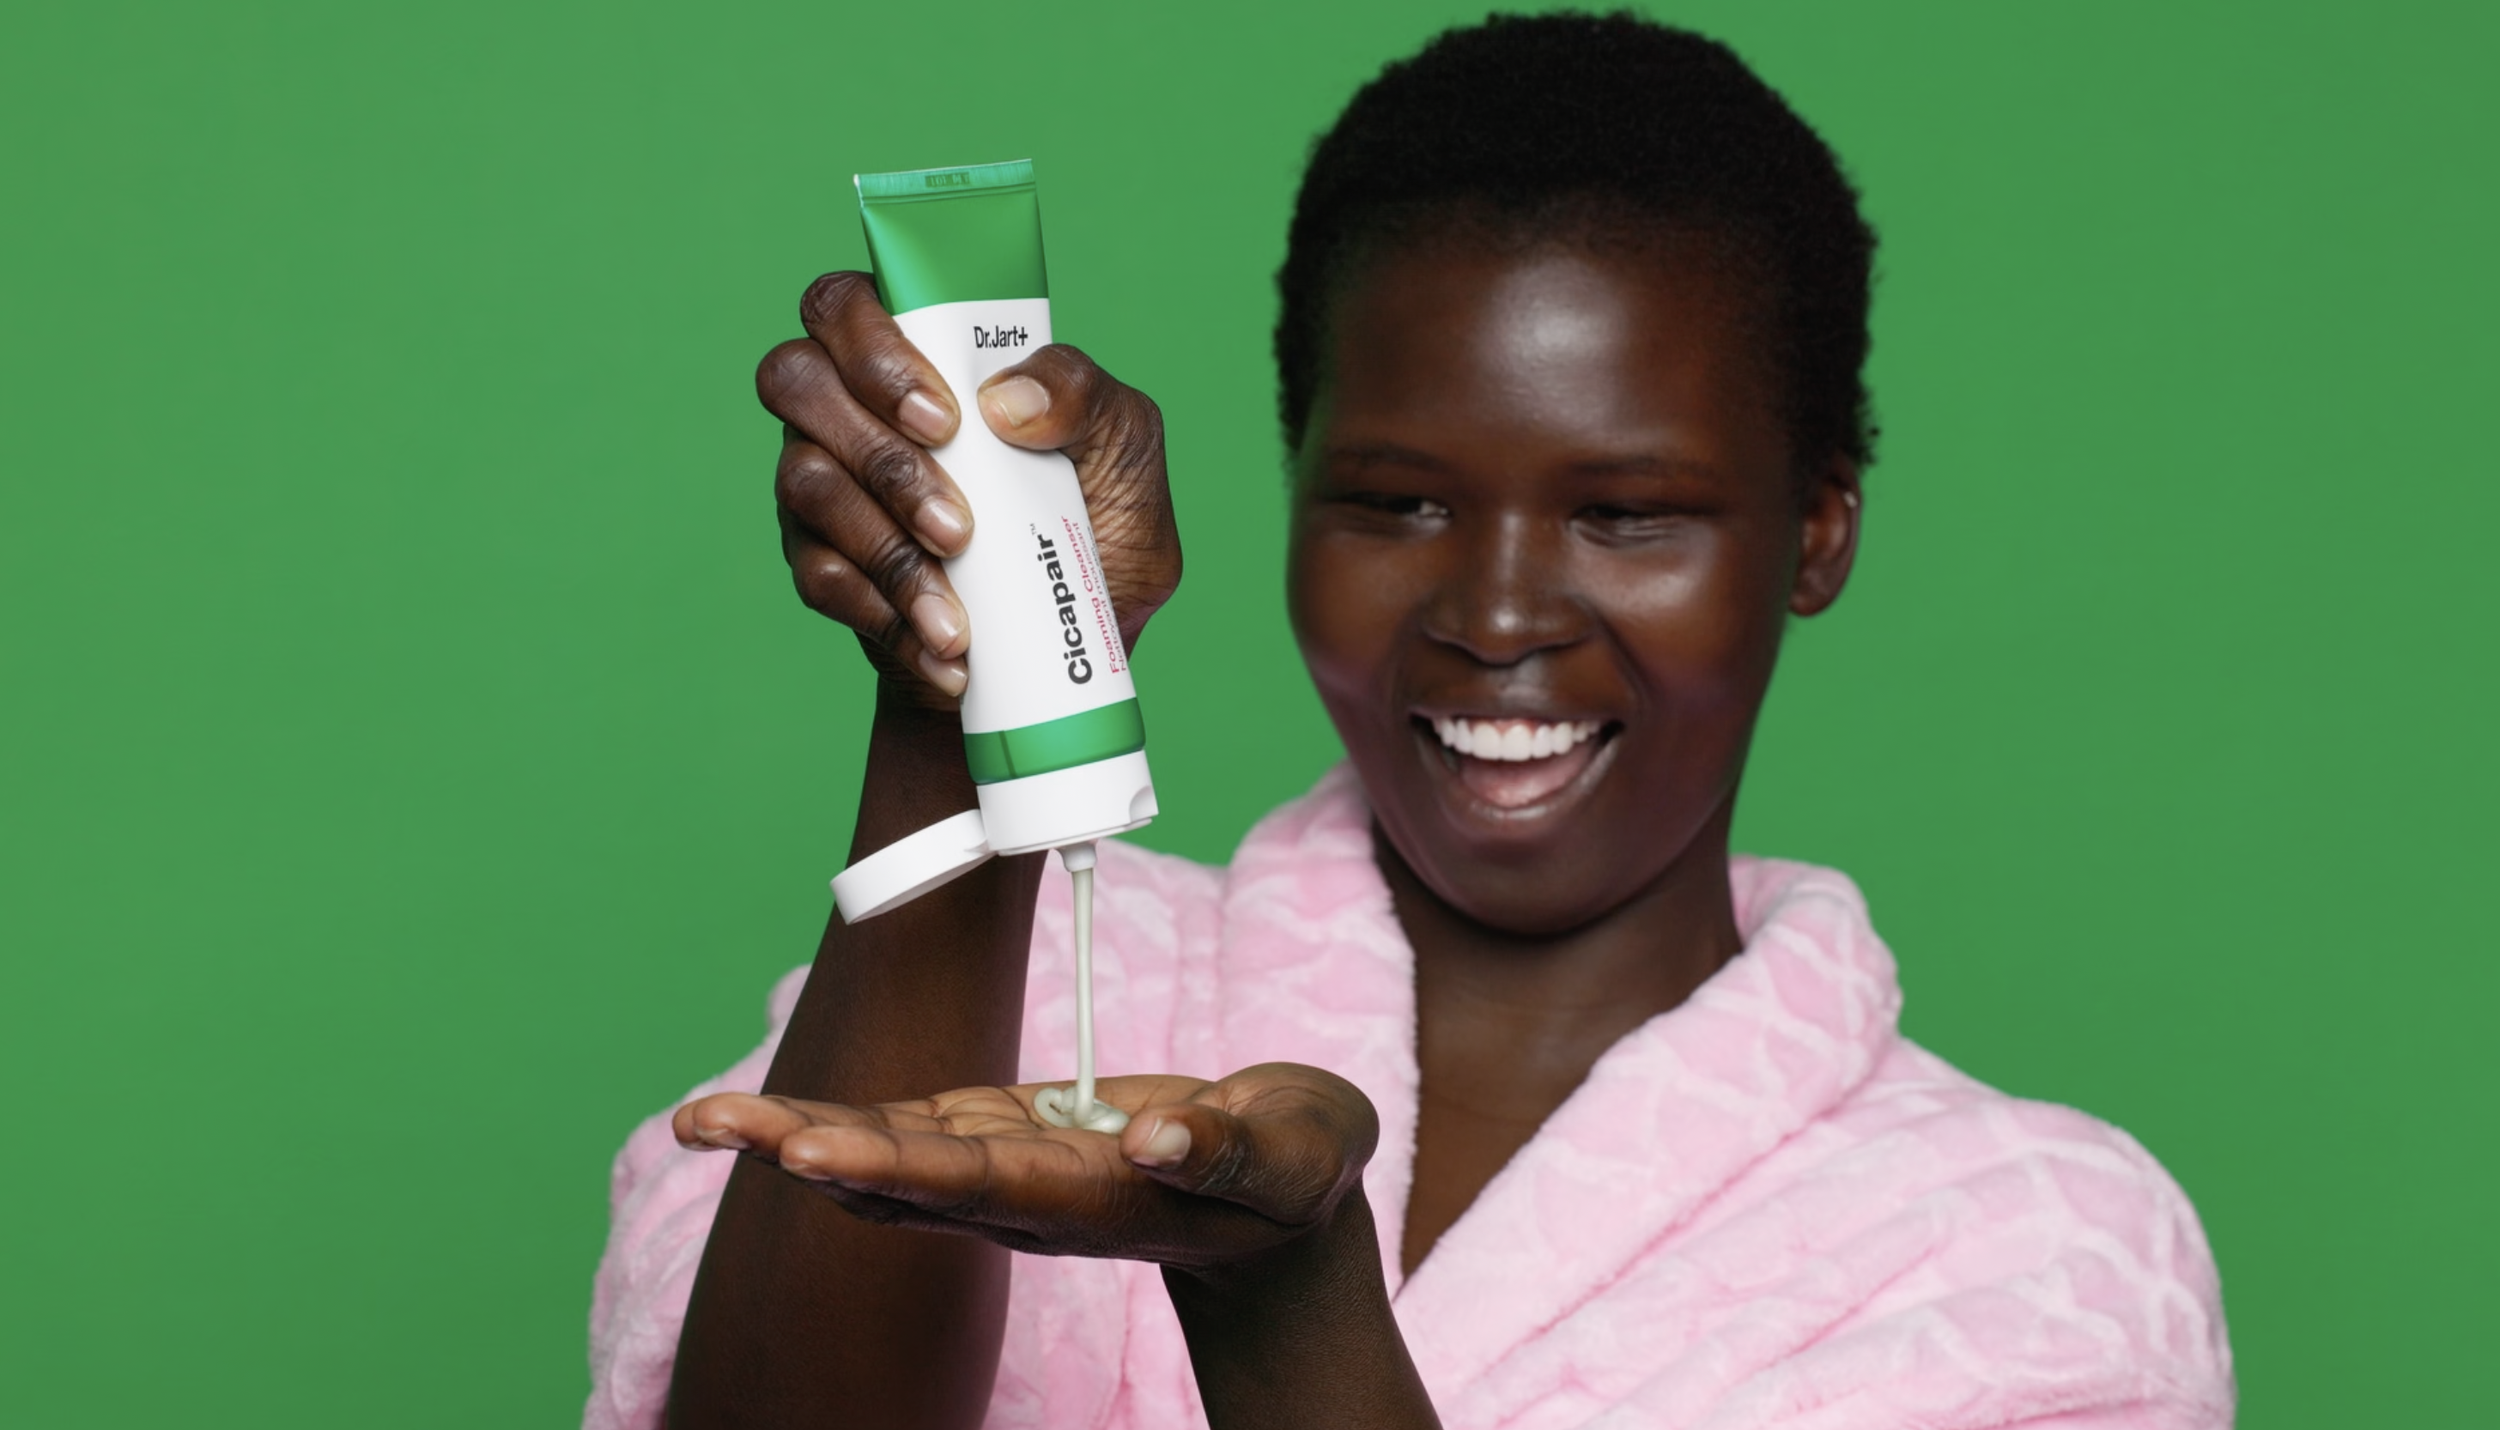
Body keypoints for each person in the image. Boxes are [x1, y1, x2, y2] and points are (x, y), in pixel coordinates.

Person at [586, 13, 2234, 1428]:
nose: (1498, 616)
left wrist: (1286, 1296)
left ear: (1814, 531)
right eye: (1394, 502)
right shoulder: (1025, 1001)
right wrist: (964, 689)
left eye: (1628, 514)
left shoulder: (2034, 1255)